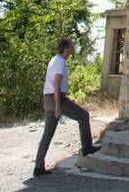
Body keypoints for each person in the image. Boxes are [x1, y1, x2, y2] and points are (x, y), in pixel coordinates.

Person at [33, 37, 100, 177]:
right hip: (56, 98)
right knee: (83, 116)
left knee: (47, 134)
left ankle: (38, 167)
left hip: (48, 98)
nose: (73, 48)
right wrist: (58, 106)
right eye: (71, 46)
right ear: (65, 48)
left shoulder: (54, 60)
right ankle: (87, 147)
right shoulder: (60, 62)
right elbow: (56, 84)